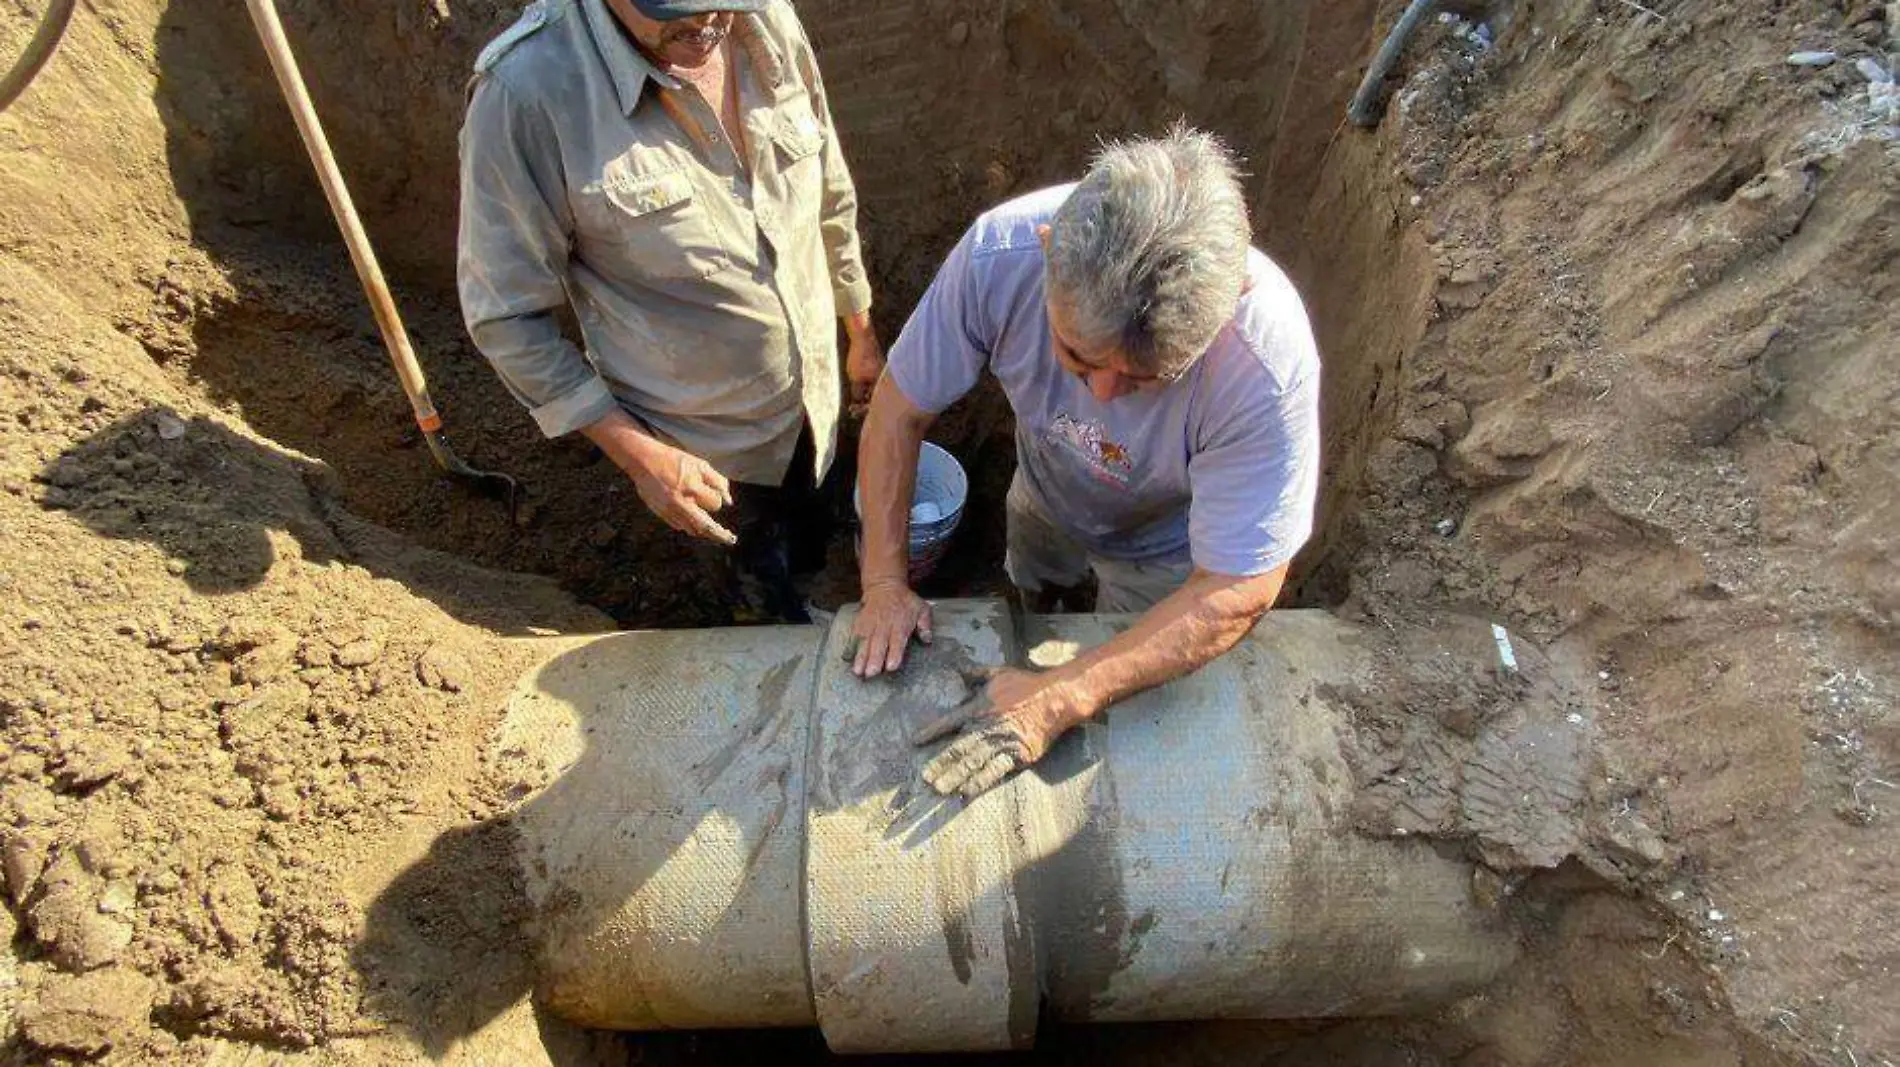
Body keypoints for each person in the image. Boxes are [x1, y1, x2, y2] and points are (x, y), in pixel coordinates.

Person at [851, 127, 1321, 798]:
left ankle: (1079, 631)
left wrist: (1067, 694)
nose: (1101, 396)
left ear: (1227, 310)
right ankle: (1043, 603)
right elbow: (897, 409)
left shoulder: (1262, 363)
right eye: (1078, 357)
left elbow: (1238, 585)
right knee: (1035, 571)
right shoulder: (1002, 254)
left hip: (1165, 552)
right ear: (1049, 254)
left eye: (1143, 380)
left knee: (1127, 663)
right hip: (1046, 491)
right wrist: (882, 585)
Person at [458, 0, 882, 622]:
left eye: (722, 4)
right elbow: (506, 318)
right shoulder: (527, 96)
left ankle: (811, 566)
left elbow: (828, 190)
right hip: (705, 455)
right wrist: (637, 456)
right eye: (678, 10)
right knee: (756, 591)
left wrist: (860, 332)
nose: (710, 25)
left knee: (813, 520)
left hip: (815, 405)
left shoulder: (766, 22)